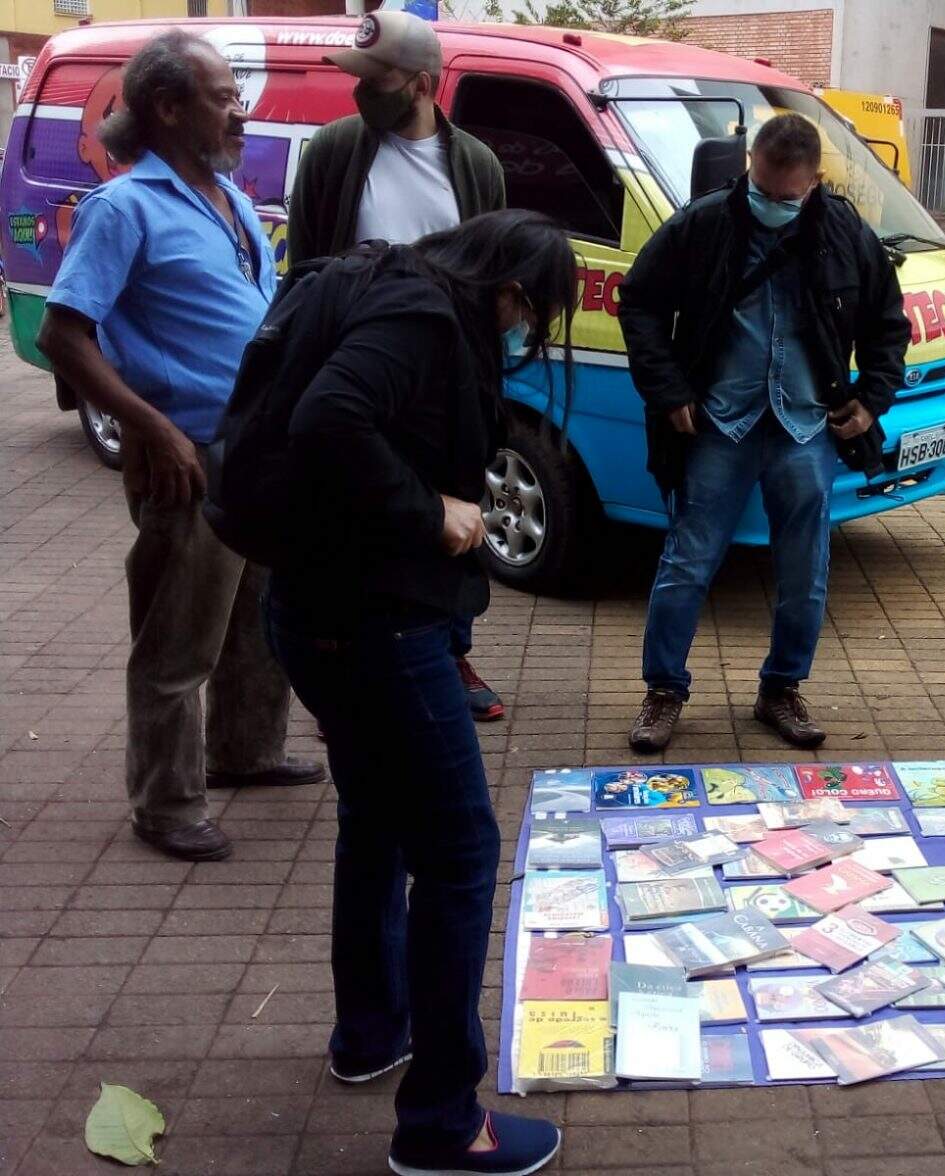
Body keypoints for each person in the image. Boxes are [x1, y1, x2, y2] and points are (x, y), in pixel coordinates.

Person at [262, 211, 574, 1176]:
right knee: (460, 850)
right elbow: (327, 422)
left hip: (321, 608)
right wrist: (427, 509)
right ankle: (442, 1122)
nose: (529, 336)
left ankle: (372, 1032)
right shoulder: (424, 320)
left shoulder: (379, 286)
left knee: (379, 819)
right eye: (534, 314)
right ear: (510, 290)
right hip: (375, 626)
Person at [36, 30, 323, 864]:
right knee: (178, 639)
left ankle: (247, 750)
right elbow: (64, 332)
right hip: (187, 451)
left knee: (257, 617)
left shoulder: (228, 200)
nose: (243, 112)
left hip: (255, 449)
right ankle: (165, 803)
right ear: (167, 108)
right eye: (226, 97)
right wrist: (149, 425)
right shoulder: (123, 207)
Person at [619, 112, 910, 753]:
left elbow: (889, 324)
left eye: (786, 197)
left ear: (813, 181)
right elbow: (636, 301)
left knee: (806, 570)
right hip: (720, 423)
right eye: (761, 189)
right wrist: (669, 393)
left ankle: (781, 689)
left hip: (806, 427)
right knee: (688, 562)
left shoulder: (844, 231)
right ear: (749, 165)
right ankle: (663, 691)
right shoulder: (703, 224)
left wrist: (871, 400)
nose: (771, 204)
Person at [286, 10, 510, 722]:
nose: (359, 91)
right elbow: (305, 268)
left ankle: (451, 648)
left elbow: (492, 268)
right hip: (363, 368)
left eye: (373, 78)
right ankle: (366, 658)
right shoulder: (332, 151)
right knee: (369, 507)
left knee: (458, 513)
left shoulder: (475, 163)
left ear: (421, 83)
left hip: (452, 378)